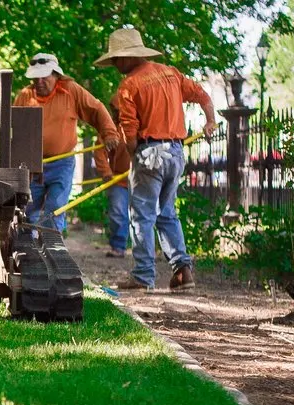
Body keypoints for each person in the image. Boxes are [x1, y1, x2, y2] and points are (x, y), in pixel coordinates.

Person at [95, 28, 216, 291]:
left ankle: (142, 276)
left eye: (116, 58)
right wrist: (210, 121)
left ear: (128, 56)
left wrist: (131, 155)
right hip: (175, 153)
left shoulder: (129, 85)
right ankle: (183, 272)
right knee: (167, 214)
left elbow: (129, 133)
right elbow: (202, 95)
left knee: (141, 217)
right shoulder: (171, 74)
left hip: (150, 154)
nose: (115, 64)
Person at [13, 53, 119, 232]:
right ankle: (27, 249)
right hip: (31, 165)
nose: (39, 81)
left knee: (55, 206)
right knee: (28, 210)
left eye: (44, 76)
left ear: (56, 75)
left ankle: (51, 245)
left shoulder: (71, 90)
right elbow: (12, 126)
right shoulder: (25, 95)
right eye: (35, 77)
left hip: (62, 162)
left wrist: (109, 133)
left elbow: (96, 109)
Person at [93, 94, 131, 257]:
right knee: (118, 213)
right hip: (118, 179)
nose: (116, 113)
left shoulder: (140, 125)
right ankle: (119, 247)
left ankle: (144, 250)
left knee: (144, 215)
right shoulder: (109, 129)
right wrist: (106, 172)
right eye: (114, 110)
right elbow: (99, 151)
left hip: (142, 179)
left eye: (118, 110)